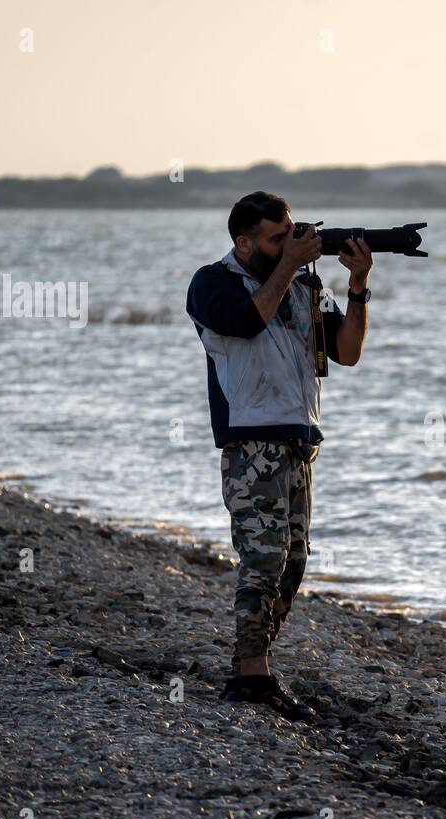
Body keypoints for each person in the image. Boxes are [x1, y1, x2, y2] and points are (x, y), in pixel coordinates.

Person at [185, 191, 372, 718]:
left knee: (292, 563)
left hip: (299, 440)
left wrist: (357, 286)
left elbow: (348, 352)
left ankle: (254, 664)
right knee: (262, 558)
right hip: (250, 440)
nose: (288, 243)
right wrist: (290, 265)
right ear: (243, 243)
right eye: (276, 238)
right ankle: (251, 676)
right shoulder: (211, 283)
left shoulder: (305, 285)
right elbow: (246, 322)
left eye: (290, 233)